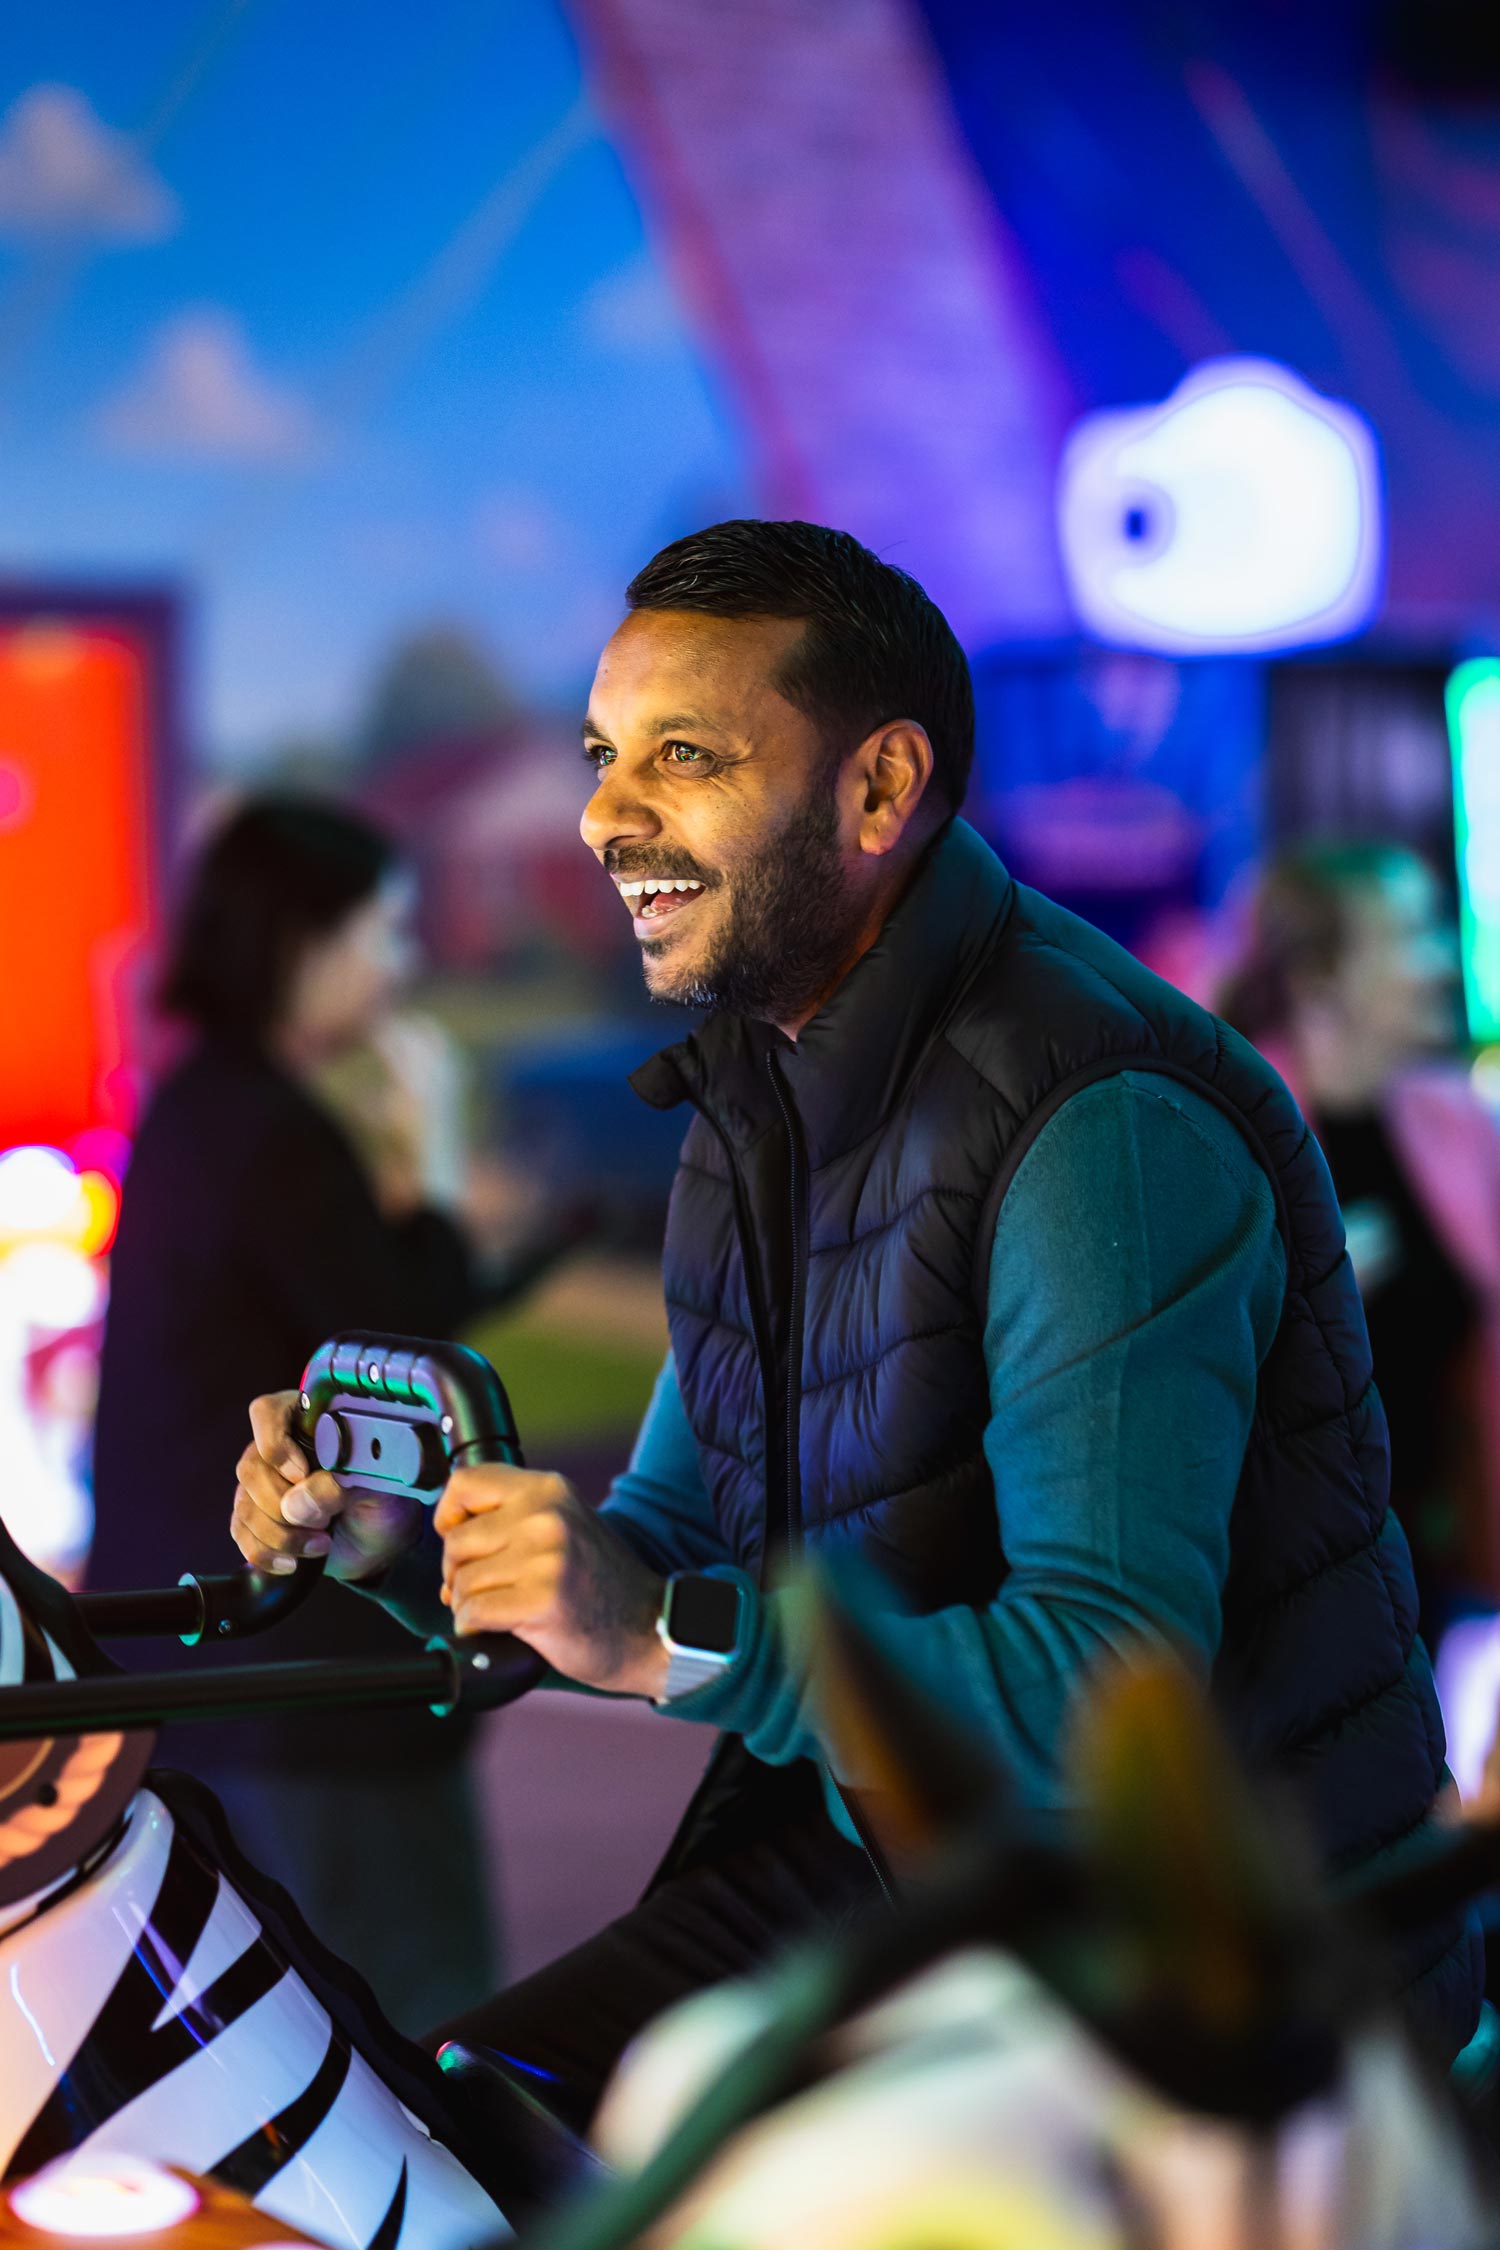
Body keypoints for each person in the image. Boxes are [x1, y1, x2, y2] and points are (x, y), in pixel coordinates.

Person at [227, 524, 1482, 2127]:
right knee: (423, 2129)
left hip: (1198, 1958)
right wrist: (405, 1541)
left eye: (682, 756)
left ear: (880, 792)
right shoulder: (752, 1096)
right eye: (606, 757)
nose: (609, 816)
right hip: (903, 1867)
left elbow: (1108, 1700)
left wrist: (663, 1626)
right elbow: (669, 1543)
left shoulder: (1103, 1123)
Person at [91, 794, 497, 2033]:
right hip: (304, 1689)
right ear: (297, 942)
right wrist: (432, 1158)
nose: (402, 963)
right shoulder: (267, 1133)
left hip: (206, 1666)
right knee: (415, 2044)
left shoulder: (201, 1109)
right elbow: (409, 1340)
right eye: (382, 931)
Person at [1220, 842, 1499, 1637]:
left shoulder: (1457, 1121)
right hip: (1295, 1593)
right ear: (1320, 983)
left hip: (1446, 1571)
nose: (1445, 962)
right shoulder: (1233, 1134)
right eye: (1414, 936)